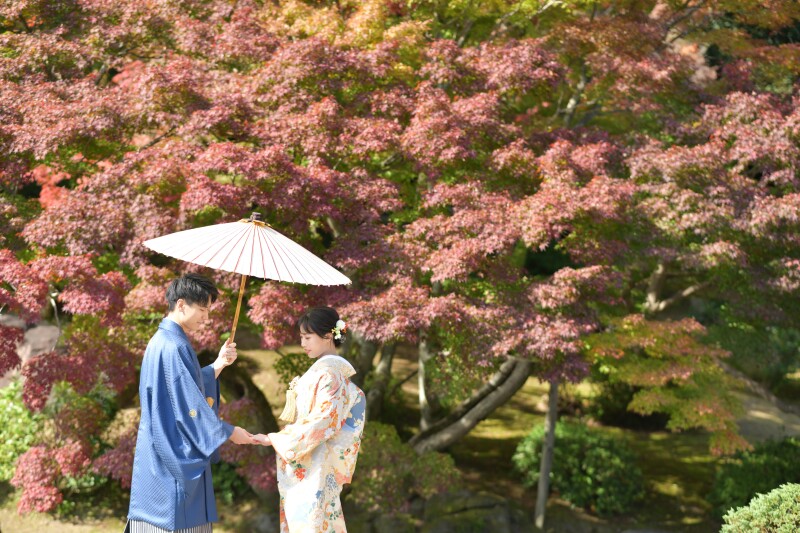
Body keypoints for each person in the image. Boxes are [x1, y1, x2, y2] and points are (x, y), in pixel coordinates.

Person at [126, 273, 261, 533]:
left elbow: (184, 385)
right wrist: (230, 433)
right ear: (180, 304)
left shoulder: (162, 341)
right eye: (202, 309)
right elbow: (188, 404)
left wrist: (219, 364)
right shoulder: (174, 346)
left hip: (156, 451)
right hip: (172, 455)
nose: (206, 318)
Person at [256, 307, 366, 533]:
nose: (303, 343)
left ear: (327, 336)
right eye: (301, 338)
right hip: (311, 461)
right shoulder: (327, 372)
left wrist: (278, 439)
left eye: (307, 337)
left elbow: (324, 420)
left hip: (314, 463)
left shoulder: (329, 374)